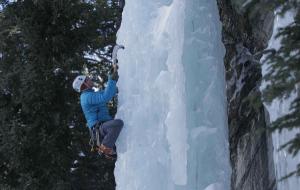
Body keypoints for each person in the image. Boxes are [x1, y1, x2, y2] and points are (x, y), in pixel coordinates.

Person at [72, 65, 123, 159]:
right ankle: (105, 148)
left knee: (119, 124)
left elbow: (108, 92)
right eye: (87, 79)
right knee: (118, 123)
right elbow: (105, 97)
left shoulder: (91, 94)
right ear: (84, 85)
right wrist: (112, 79)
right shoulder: (86, 97)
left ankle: (107, 147)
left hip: (103, 127)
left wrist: (112, 79)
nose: (90, 79)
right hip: (100, 129)